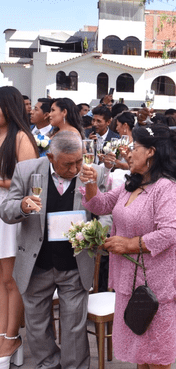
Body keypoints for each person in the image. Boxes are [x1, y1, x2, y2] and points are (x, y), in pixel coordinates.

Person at [81, 124, 176, 368]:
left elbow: (170, 233)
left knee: (157, 354)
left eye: (134, 147)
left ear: (151, 152)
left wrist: (129, 244)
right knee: (140, 351)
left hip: (155, 285)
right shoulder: (132, 183)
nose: (128, 153)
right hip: (128, 280)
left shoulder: (167, 188)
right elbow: (100, 205)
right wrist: (90, 182)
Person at [0, 131, 107, 369]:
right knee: (37, 324)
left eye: (79, 161)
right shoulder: (27, 170)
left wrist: (96, 232)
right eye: (68, 164)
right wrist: (22, 206)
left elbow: (107, 213)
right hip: (37, 262)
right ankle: (48, 364)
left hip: (75, 263)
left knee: (74, 327)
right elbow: (6, 210)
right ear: (50, 157)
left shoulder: (93, 172)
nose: (76, 168)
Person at [0, 86, 38, 369]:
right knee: (0, 280)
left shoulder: (22, 138)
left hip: (12, 213)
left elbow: (29, 185)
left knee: (12, 280)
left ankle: (13, 337)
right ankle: (3, 334)